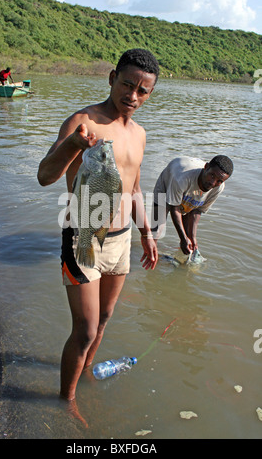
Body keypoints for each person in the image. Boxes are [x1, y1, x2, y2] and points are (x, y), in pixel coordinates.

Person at [37, 49, 159, 403]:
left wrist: (147, 234)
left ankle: (86, 372)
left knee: (104, 319)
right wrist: (74, 143)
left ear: (149, 93)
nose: (132, 96)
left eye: (142, 90)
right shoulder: (83, 121)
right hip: (82, 236)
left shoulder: (139, 134)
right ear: (112, 78)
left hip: (120, 240)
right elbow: (45, 176)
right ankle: (67, 401)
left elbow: (134, 188)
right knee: (86, 329)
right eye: (127, 84)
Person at [151, 155, 233, 254]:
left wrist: (192, 237)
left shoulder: (218, 188)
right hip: (168, 182)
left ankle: (182, 257)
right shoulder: (181, 178)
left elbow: (197, 210)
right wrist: (183, 238)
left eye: (219, 181)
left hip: (187, 188)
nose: (213, 182)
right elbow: (175, 207)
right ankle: (150, 252)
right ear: (206, 167)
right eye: (212, 175)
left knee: (189, 237)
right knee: (157, 228)